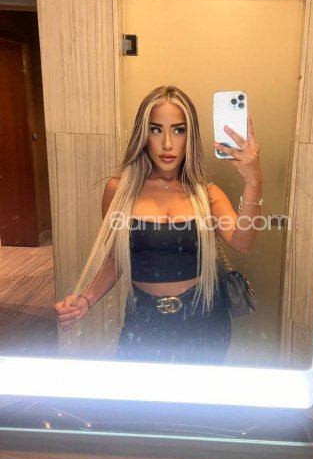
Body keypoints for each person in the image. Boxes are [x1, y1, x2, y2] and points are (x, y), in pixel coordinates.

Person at [54, 85, 263, 364]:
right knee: (139, 391)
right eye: (155, 129)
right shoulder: (119, 191)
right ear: (143, 135)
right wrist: (85, 300)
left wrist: (254, 181)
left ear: (190, 136)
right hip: (143, 319)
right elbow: (116, 258)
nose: (167, 143)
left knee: (198, 393)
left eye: (178, 130)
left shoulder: (207, 194)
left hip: (203, 321)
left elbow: (243, 242)